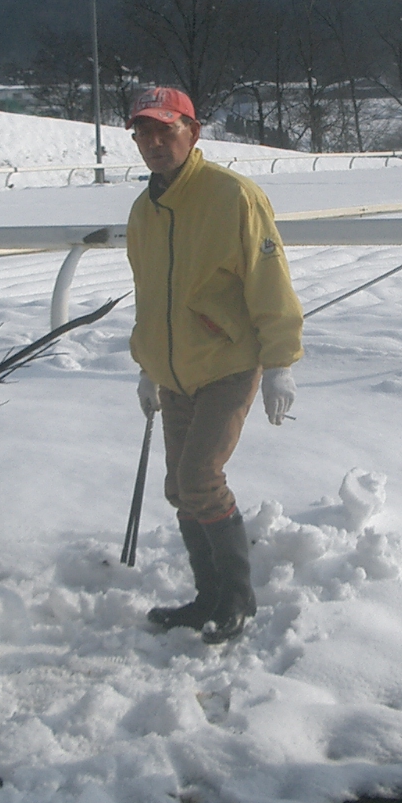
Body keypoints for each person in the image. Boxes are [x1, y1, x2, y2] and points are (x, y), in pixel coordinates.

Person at [125, 86, 304, 645]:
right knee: (181, 488)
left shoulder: (233, 197)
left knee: (200, 478)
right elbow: (149, 296)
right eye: (144, 132)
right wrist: (147, 366)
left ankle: (237, 600)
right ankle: (207, 599)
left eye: (166, 129)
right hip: (174, 372)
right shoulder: (143, 210)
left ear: (193, 132)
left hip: (228, 363)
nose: (155, 142)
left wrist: (279, 362)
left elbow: (269, 280)